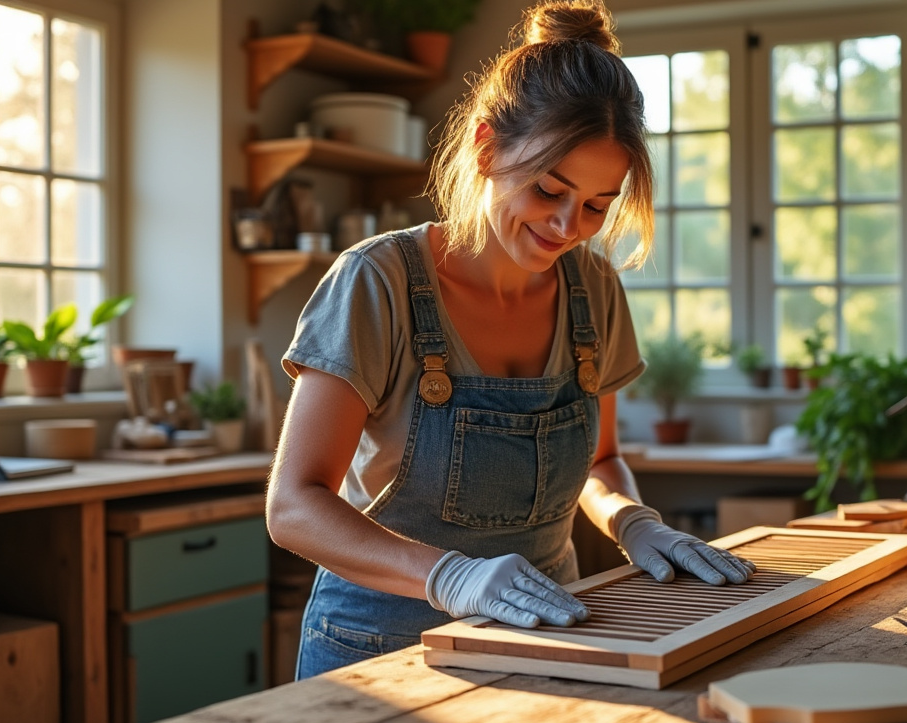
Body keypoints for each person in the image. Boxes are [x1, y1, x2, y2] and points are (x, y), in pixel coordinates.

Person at [267, 0, 756, 680]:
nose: (567, 226)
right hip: (378, 654)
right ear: (486, 147)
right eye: (549, 190)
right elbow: (294, 507)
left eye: (596, 205)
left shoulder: (594, 288)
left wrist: (633, 521)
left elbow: (601, 461)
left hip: (549, 640)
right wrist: (450, 576)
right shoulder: (378, 282)